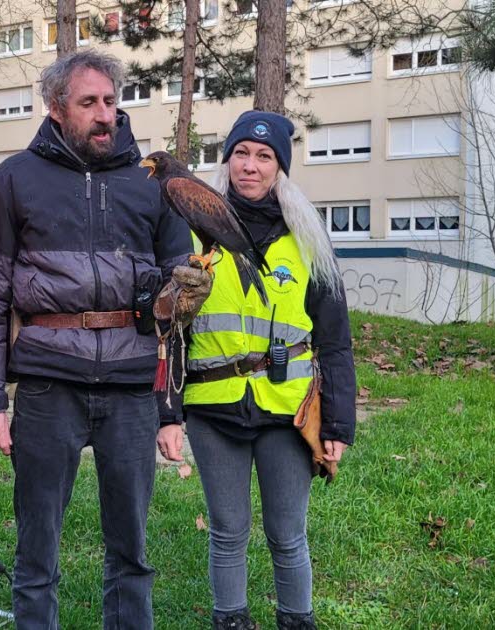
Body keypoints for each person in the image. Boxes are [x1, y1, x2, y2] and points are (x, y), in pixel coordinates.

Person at [0, 49, 203, 629]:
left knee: (132, 551)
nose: (104, 114)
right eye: (89, 102)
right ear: (56, 107)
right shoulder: (15, 179)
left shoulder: (153, 182)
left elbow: (178, 314)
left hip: (131, 385)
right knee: (37, 550)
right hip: (49, 384)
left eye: (110, 102)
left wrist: (171, 408)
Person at [155, 111, 357, 630]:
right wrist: (168, 416)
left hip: (288, 409)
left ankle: (297, 621)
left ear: (279, 167)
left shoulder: (307, 236)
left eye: (264, 156)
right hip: (212, 408)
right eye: (241, 153)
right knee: (227, 532)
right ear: (227, 162)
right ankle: (231, 621)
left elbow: (335, 339)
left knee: (287, 534)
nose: (250, 165)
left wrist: (338, 424)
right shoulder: (195, 230)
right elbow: (169, 336)